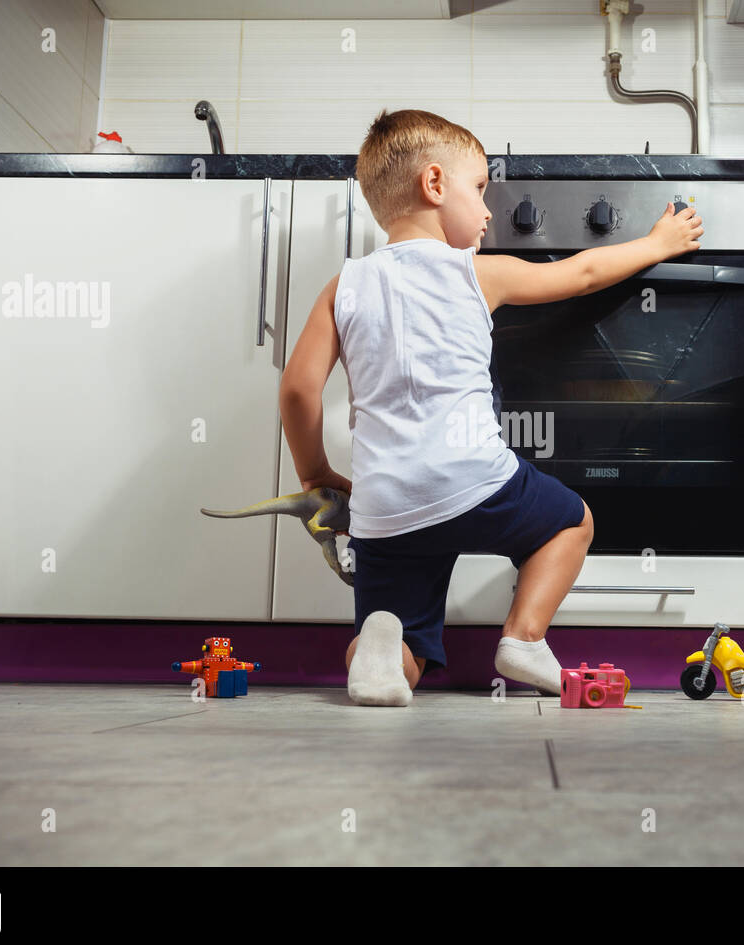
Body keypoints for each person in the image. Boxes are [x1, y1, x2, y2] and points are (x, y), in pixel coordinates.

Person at [279, 108, 703, 706]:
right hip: (475, 482)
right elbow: (582, 273)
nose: (486, 212)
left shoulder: (344, 284)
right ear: (433, 185)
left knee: (409, 647)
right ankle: (523, 639)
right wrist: (657, 243)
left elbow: (298, 388)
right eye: (479, 189)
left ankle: (379, 652)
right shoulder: (479, 273)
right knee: (570, 520)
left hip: (384, 508)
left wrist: (315, 474)